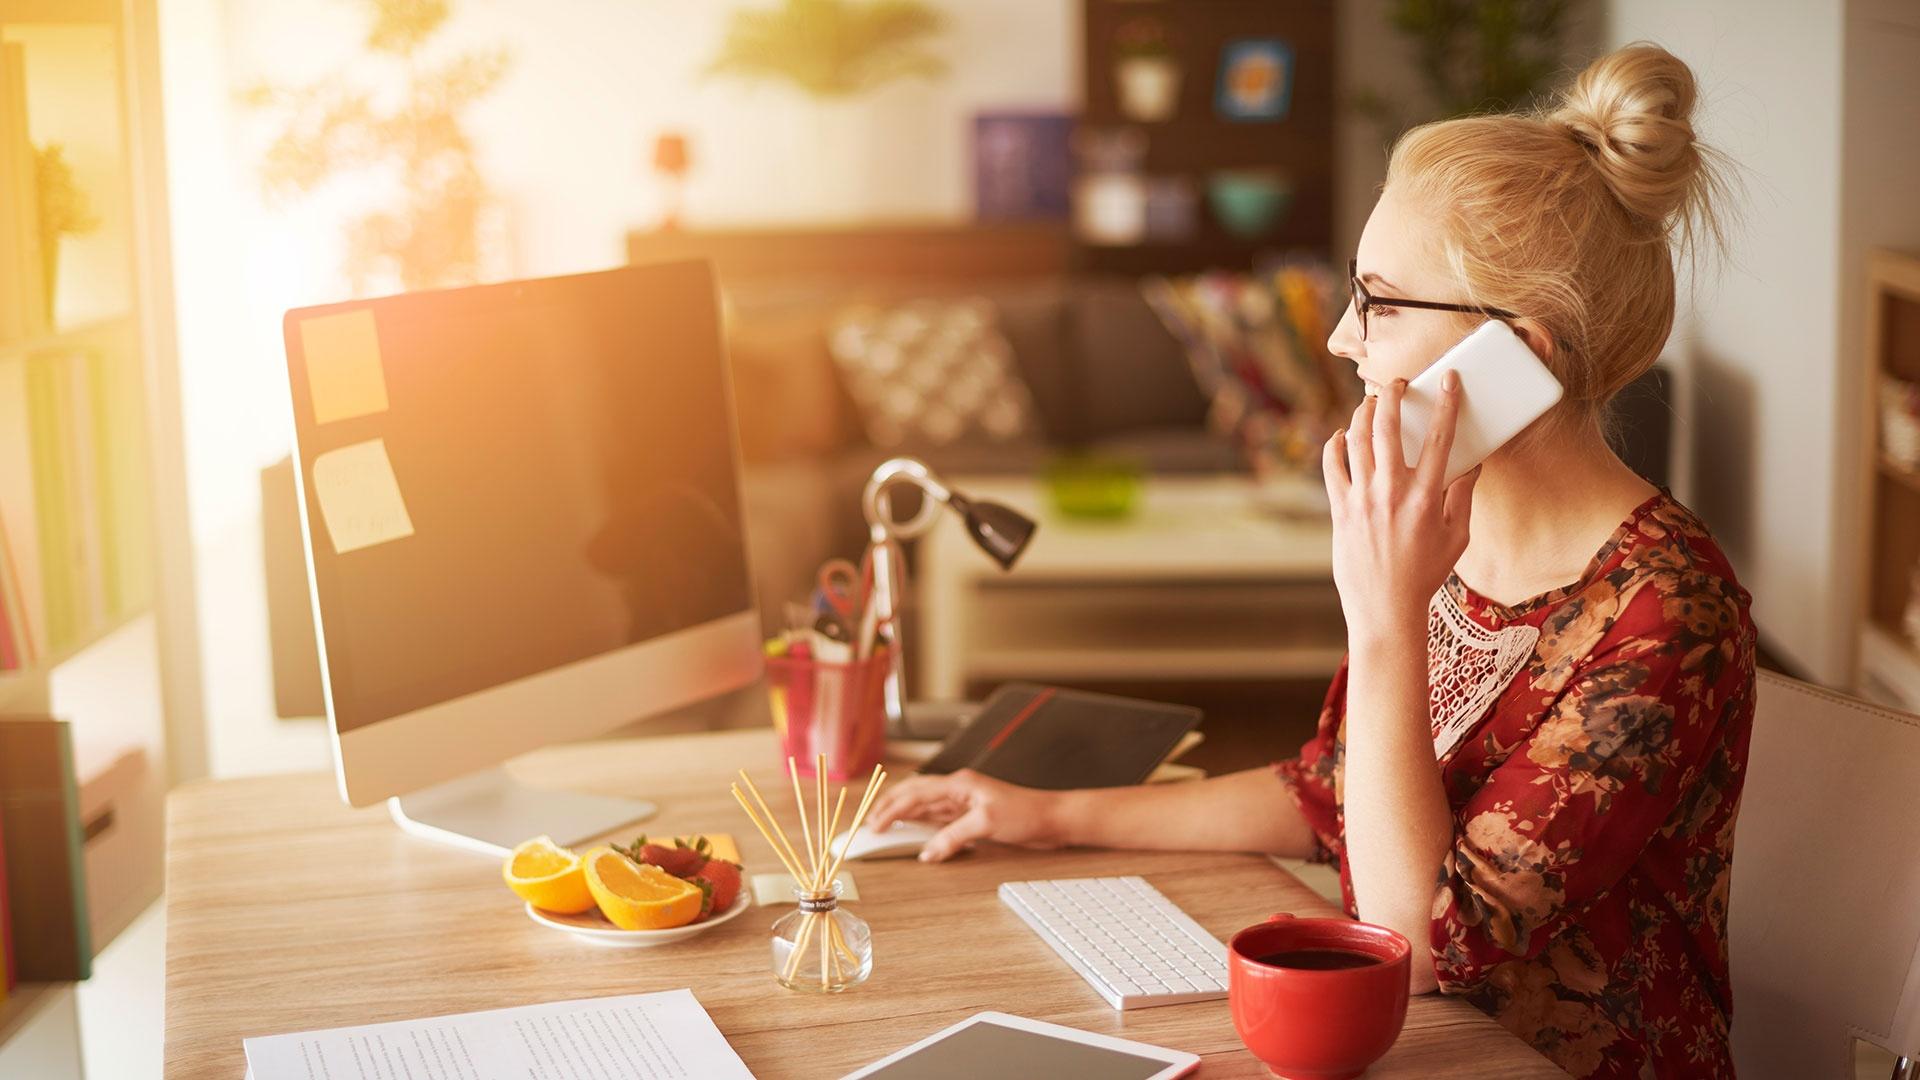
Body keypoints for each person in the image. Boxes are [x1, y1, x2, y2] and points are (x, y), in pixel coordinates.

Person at [866, 42, 1755, 1079]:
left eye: (1380, 302)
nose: (1340, 339)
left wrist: (1383, 616)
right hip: (1420, 1052)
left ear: (1522, 353)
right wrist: (1045, 814)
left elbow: (1420, 941)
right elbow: (1329, 793)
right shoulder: (1443, 529)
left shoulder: (1667, 612)